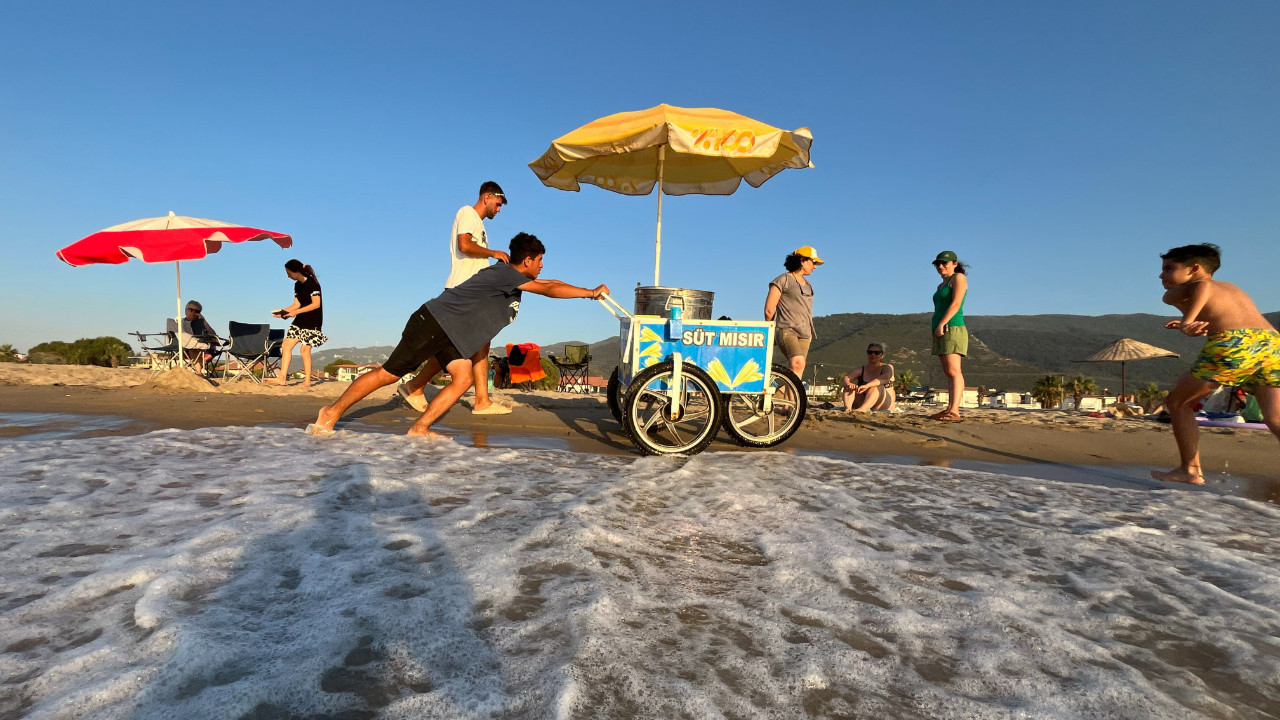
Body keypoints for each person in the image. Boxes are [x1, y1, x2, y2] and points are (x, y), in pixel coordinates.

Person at [310, 232, 607, 437]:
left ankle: (419, 429)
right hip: (433, 323)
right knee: (388, 374)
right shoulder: (506, 273)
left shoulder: (512, 278)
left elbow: (551, 281)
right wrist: (590, 293)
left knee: (463, 379)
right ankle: (330, 412)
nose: (542, 266)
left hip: (450, 333)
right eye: (540, 260)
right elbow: (549, 288)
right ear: (527, 260)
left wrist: (587, 291)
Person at [1152, 243, 1280, 484]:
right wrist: (1192, 323)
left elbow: (1204, 287)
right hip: (1272, 343)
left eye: (1169, 268)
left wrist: (1186, 322)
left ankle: (1190, 470)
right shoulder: (1231, 287)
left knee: (1178, 403)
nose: (1161, 275)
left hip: (1236, 344)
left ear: (1194, 268)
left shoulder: (1190, 288)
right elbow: (1228, 317)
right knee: (1275, 418)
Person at [399, 181, 511, 414]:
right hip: (462, 292)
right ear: (487, 197)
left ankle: (480, 400)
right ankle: (415, 386)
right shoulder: (468, 213)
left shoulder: (478, 223)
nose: (499, 209)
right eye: (498, 204)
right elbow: (464, 245)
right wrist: (493, 253)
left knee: (477, 342)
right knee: (455, 345)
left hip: (471, 293)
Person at [266, 259, 327, 387]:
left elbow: (316, 304)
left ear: (296, 271)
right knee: (286, 345)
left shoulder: (312, 283)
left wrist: (296, 312)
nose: (288, 276)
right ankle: (282, 377)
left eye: (288, 273)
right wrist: (283, 312)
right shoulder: (297, 285)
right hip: (300, 319)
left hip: (313, 320)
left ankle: (307, 381)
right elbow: (296, 305)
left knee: (304, 350)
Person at [764, 246, 822, 378]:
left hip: (805, 333)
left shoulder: (808, 284)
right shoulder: (782, 280)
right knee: (797, 363)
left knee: (797, 371)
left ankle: (787, 392)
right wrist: (771, 331)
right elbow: (769, 310)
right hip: (786, 329)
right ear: (802, 260)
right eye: (813, 262)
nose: (815, 266)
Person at [929, 250, 968, 422]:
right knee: (947, 371)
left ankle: (955, 411)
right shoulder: (940, 285)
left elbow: (956, 303)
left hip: (952, 326)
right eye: (938, 264)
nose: (941, 266)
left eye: (944, 263)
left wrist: (942, 323)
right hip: (939, 328)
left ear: (954, 263)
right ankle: (949, 409)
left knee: (954, 370)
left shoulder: (958, 278)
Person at [841, 343, 896, 412]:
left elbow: (885, 378)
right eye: (870, 352)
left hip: (883, 403)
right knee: (849, 387)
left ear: (882, 355)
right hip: (862, 400)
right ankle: (847, 408)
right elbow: (845, 379)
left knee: (876, 386)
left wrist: (867, 386)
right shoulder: (861, 369)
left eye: (876, 353)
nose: (873, 355)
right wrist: (849, 384)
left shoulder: (887, 367)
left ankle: (863, 409)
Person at [181, 301, 221, 372]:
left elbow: (213, 334)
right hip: (184, 346)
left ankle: (198, 373)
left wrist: (204, 321)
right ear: (185, 310)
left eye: (197, 311)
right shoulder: (180, 323)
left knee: (193, 348)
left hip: (202, 346)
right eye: (191, 310)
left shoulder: (201, 322)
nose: (193, 312)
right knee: (189, 348)